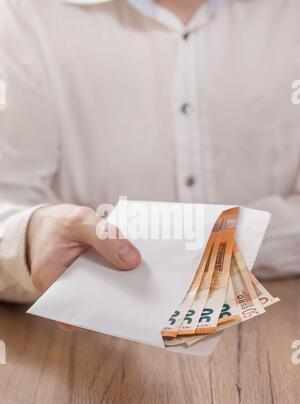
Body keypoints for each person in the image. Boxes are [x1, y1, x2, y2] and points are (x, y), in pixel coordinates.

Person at [0, 0, 299, 304]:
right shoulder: (26, 16)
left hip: (274, 318)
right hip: (81, 335)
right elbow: (7, 204)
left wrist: (193, 246)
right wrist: (29, 240)